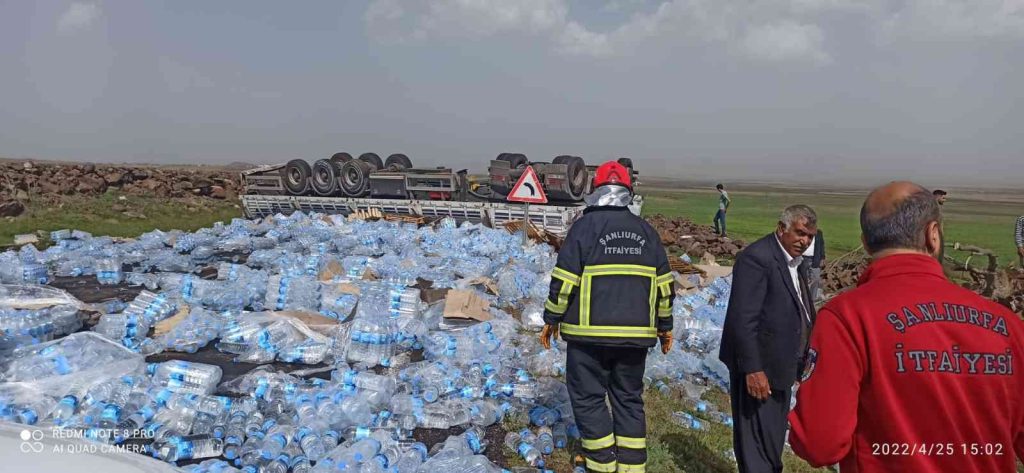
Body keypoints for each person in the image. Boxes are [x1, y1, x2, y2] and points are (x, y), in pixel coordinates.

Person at [789, 182, 1024, 472]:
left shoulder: (846, 318)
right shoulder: (1008, 326)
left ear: (866, 243)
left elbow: (819, 444)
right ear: (933, 235)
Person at [540, 160, 674, 473]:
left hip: (589, 337)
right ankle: (631, 467)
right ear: (628, 190)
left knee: (588, 398)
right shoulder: (647, 232)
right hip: (635, 338)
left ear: (595, 188)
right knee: (628, 398)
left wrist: (551, 318)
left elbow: (564, 280)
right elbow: (665, 287)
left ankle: (602, 464)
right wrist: (665, 327)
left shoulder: (584, 228)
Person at [719, 205, 818, 473]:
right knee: (756, 443)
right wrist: (753, 369)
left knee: (771, 440)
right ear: (781, 228)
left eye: (810, 236)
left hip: (781, 367)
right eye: (800, 233)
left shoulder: (794, 262)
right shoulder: (757, 259)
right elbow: (743, 319)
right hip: (759, 369)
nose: (804, 241)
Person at [800, 229, 826, 302]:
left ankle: (812, 299)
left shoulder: (819, 233)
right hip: (802, 259)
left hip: (815, 259)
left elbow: (821, 245)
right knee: (803, 279)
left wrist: (822, 257)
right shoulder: (802, 232)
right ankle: (803, 298)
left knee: (816, 279)